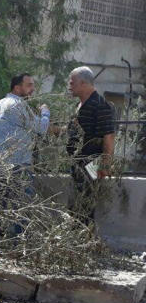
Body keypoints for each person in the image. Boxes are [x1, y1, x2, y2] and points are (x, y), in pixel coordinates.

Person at [65, 65, 116, 222]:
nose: (69, 86)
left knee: (85, 204)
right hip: (78, 163)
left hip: (91, 163)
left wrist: (106, 163)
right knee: (78, 204)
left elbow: (109, 136)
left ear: (83, 83)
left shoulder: (100, 104)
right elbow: (75, 131)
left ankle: (86, 242)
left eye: (72, 83)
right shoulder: (79, 106)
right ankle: (79, 241)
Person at [0, 73, 50, 171]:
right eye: (29, 85)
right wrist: (45, 112)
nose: (33, 89)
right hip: (15, 166)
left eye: (33, 85)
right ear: (17, 88)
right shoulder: (18, 105)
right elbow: (41, 128)